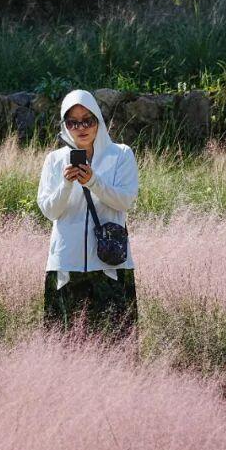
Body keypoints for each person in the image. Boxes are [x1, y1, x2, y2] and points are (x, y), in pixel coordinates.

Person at [37, 90, 139, 340]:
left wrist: (94, 181)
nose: (81, 127)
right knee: (64, 349)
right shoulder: (54, 160)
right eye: (73, 122)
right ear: (65, 126)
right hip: (65, 267)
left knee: (117, 346)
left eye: (88, 120)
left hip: (110, 265)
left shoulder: (121, 154)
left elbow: (126, 200)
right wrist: (66, 184)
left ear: (99, 121)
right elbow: (49, 210)